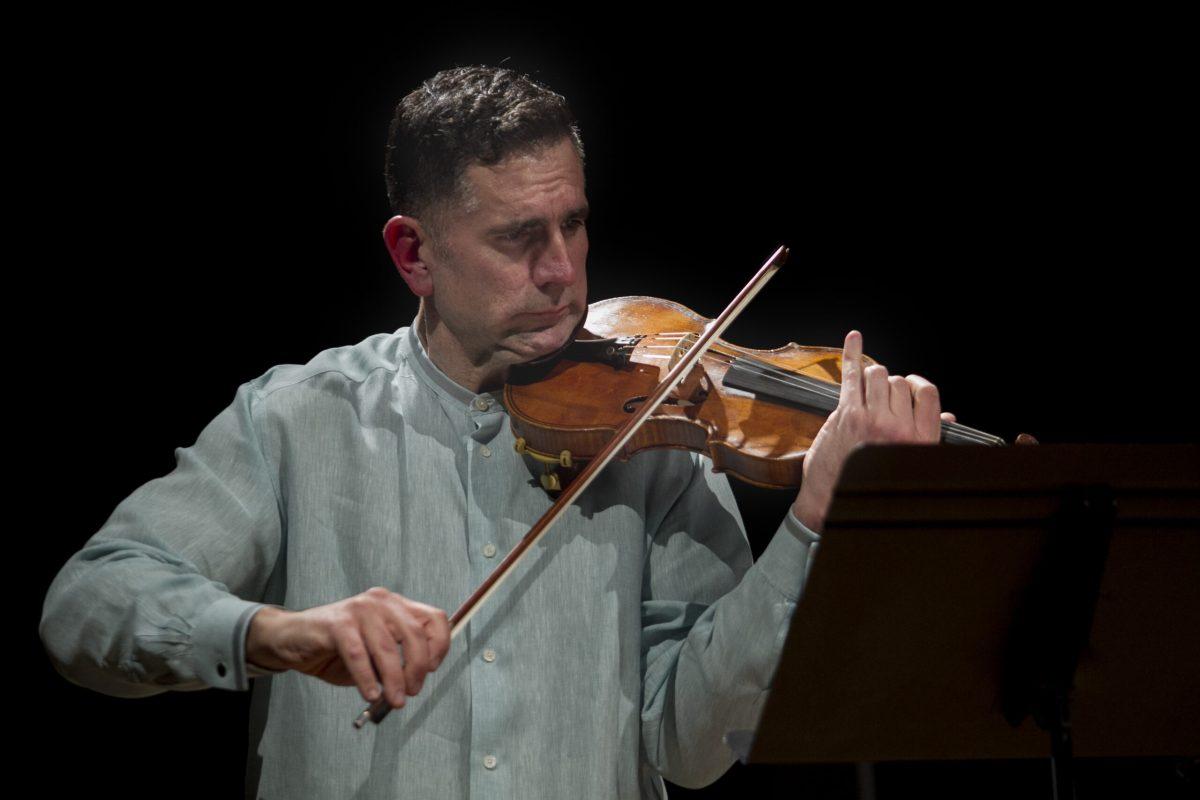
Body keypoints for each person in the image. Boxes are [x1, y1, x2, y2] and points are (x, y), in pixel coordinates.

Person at [40, 65, 951, 798]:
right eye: (519, 238)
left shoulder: (657, 424)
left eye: (575, 223)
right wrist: (275, 634)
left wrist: (811, 523)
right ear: (414, 254)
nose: (562, 271)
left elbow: (691, 744)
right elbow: (87, 608)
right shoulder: (296, 419)